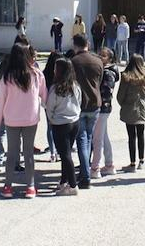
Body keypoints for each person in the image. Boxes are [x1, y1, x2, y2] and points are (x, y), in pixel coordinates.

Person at [0, 43, 48, 199]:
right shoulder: (36, 74)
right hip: (31, 117)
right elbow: (44, 96)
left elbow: (1, 101)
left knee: (12, 153)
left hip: (11, 118)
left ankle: (8, 187)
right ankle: (30, 186)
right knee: (28, 153)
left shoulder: (7, 77)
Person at [70, 34, 104, 189]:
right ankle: (85, 171)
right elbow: (100, 81)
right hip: (95, 103)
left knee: (82, 140)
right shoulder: (98, 61)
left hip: (80, 104)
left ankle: (85, 175)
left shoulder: (74, 61)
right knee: (88, 138)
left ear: (75, 45)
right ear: (88, 44)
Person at [45, 58, 82, 196]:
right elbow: (79, 102)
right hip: (74, 122)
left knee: (65, 155)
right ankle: (63, 181)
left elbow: (50, 107)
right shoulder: (75, 85)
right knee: (66, 154)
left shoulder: (56, 88)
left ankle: (73, 185)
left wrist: (51, 119)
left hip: (60, 124)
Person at [117, 54, 145, 173]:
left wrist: (123, 104)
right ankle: (142, 161)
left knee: (131, 136)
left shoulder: (126, 76)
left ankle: (132, 163)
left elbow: (120, 95)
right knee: (141, 134)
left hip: (129, 106)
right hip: (142, 107)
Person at [90, 47, 120, 179]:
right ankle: (109, 164)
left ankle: (96, 168)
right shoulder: (104, 69)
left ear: (110, 59)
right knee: (103, 136)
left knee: (97, 138)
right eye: (100, 54)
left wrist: (98, 99)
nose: (100, 57)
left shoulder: (108, 73)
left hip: (103, 108)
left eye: (104, 56)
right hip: (103, 108)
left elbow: (107, 92)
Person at [41, 50, 64, 163]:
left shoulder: (45, 73)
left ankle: (52, 152)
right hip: (61, 103)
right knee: (60, 127)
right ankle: (59, 151)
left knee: (50, 127)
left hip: (48, 103)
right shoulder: (63, 73)